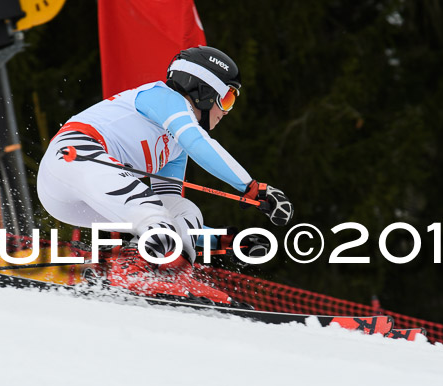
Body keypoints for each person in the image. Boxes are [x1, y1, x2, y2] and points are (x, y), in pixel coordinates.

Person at [37, 46, 293, 302]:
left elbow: (167, 210)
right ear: (203, 91)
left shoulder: (175, 147)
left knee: (182, 209)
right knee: (149, 208)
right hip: (73, 155)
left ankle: (172, 276)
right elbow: (198, 142)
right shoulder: (164, 97)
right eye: (227, 98)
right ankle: (133, 271)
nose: (226, 111)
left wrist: (225, 240)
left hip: (83, 198)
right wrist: (251, 187)